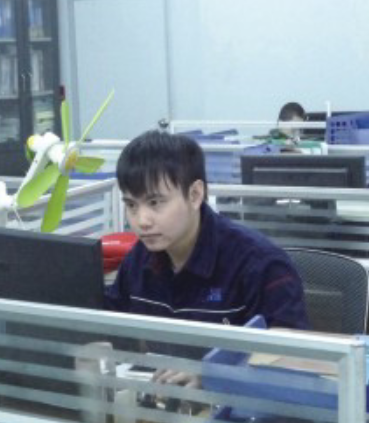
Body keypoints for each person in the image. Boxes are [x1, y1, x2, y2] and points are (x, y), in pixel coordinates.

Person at [104, 130, 309, 386]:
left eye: (155, 202)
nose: (141, 221)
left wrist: (212, 375)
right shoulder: (139, 260)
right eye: (132, 205)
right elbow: (109, 328)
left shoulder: (259, 264)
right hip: (168, 400)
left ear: (195, 195)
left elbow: (291, 358)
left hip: (236, 405)